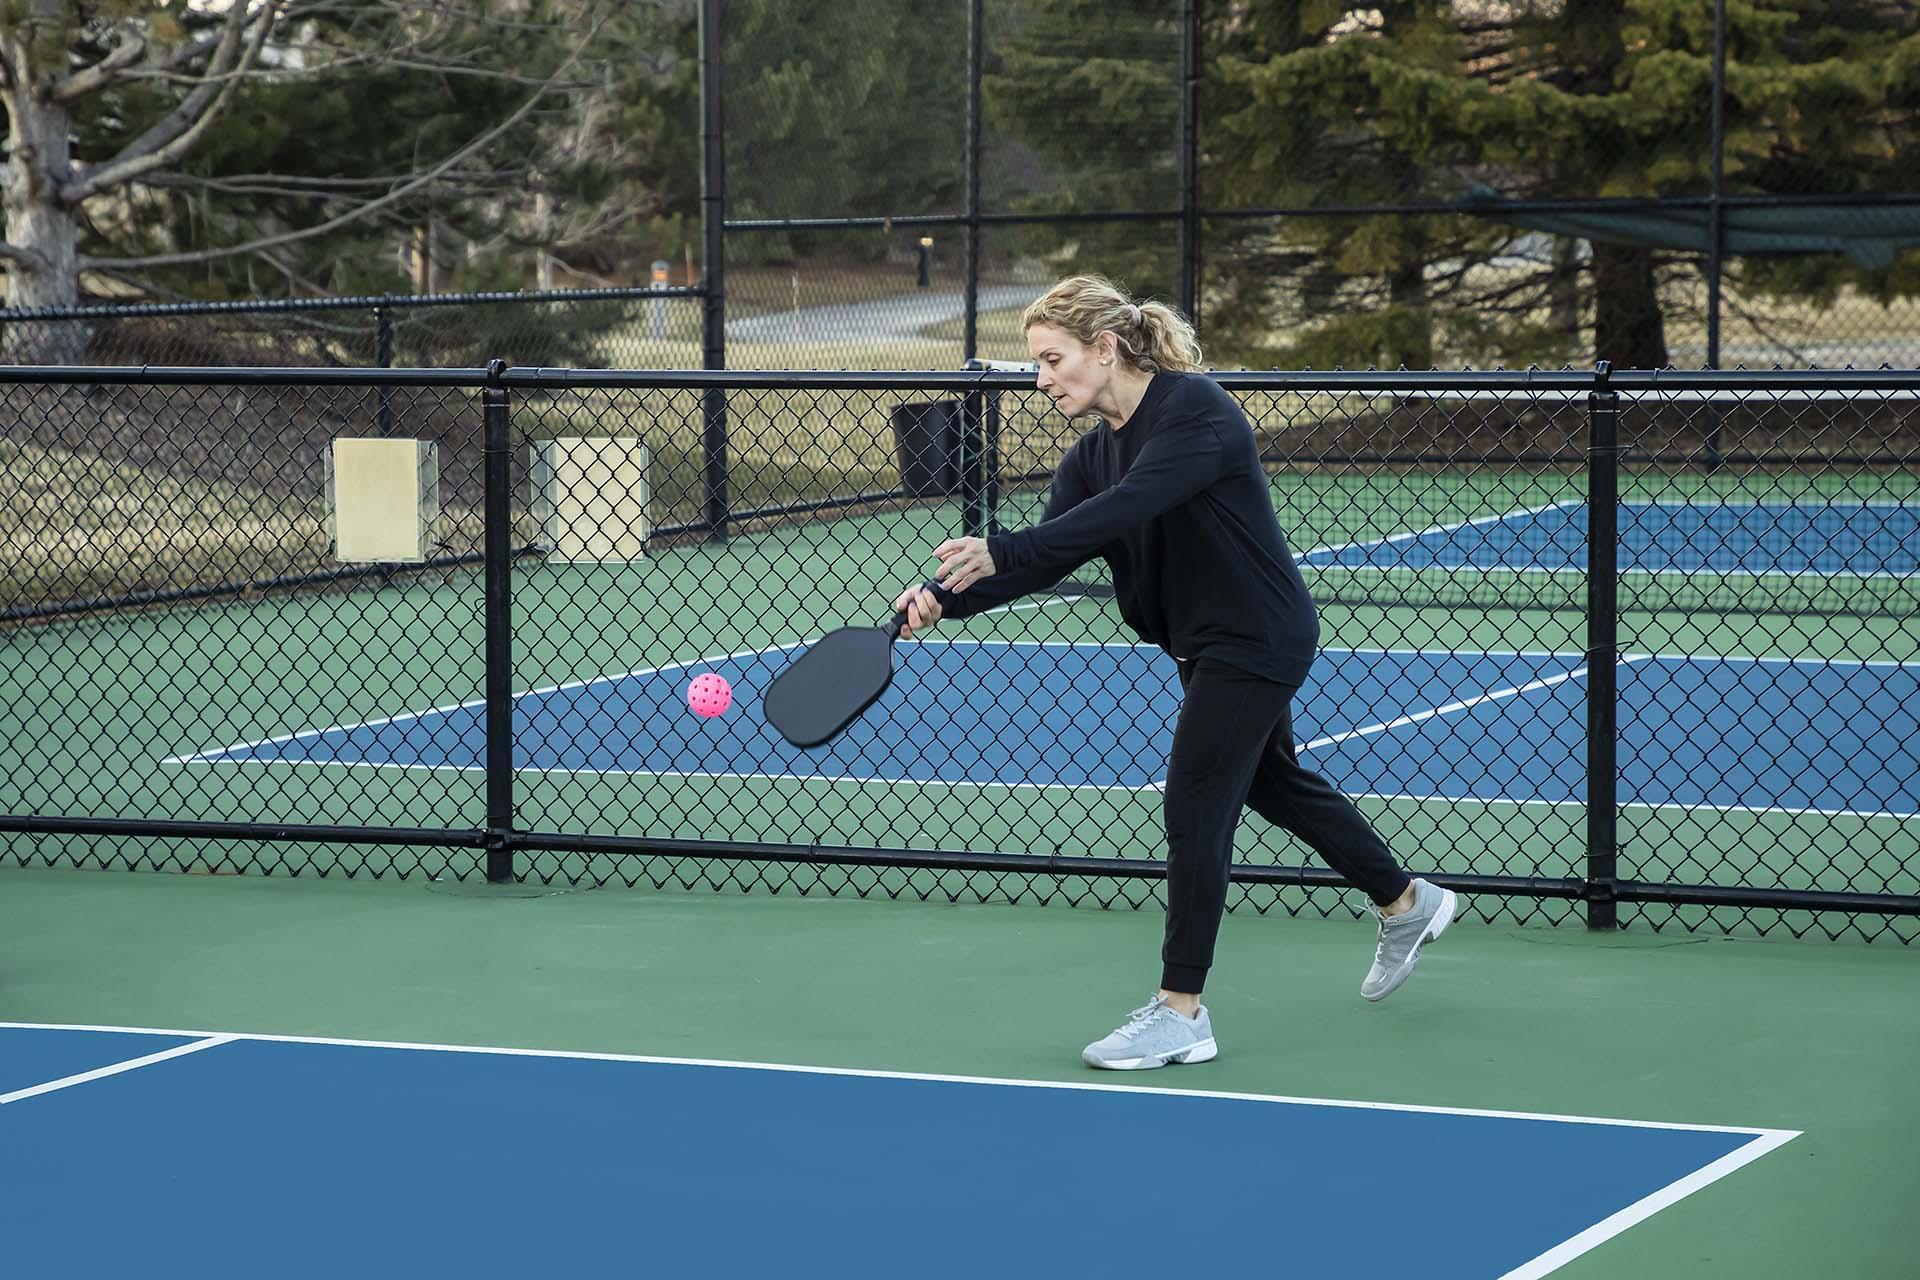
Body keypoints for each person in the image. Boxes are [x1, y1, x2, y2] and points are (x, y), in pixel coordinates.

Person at [892, 274, 1463, 1070]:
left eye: (1053, 360)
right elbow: (1053, 552)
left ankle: (1180, 1012)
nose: (1041, 379)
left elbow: (1130, 506)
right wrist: (946, 601)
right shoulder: (1092, 456)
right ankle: (1407, 901)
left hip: (1256, 636)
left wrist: (1006, 547)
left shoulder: (1196, 411)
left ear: (1106, 347)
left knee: (1194, 801)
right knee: (1272, 784)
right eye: (1036, 365)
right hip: (1203, 645)